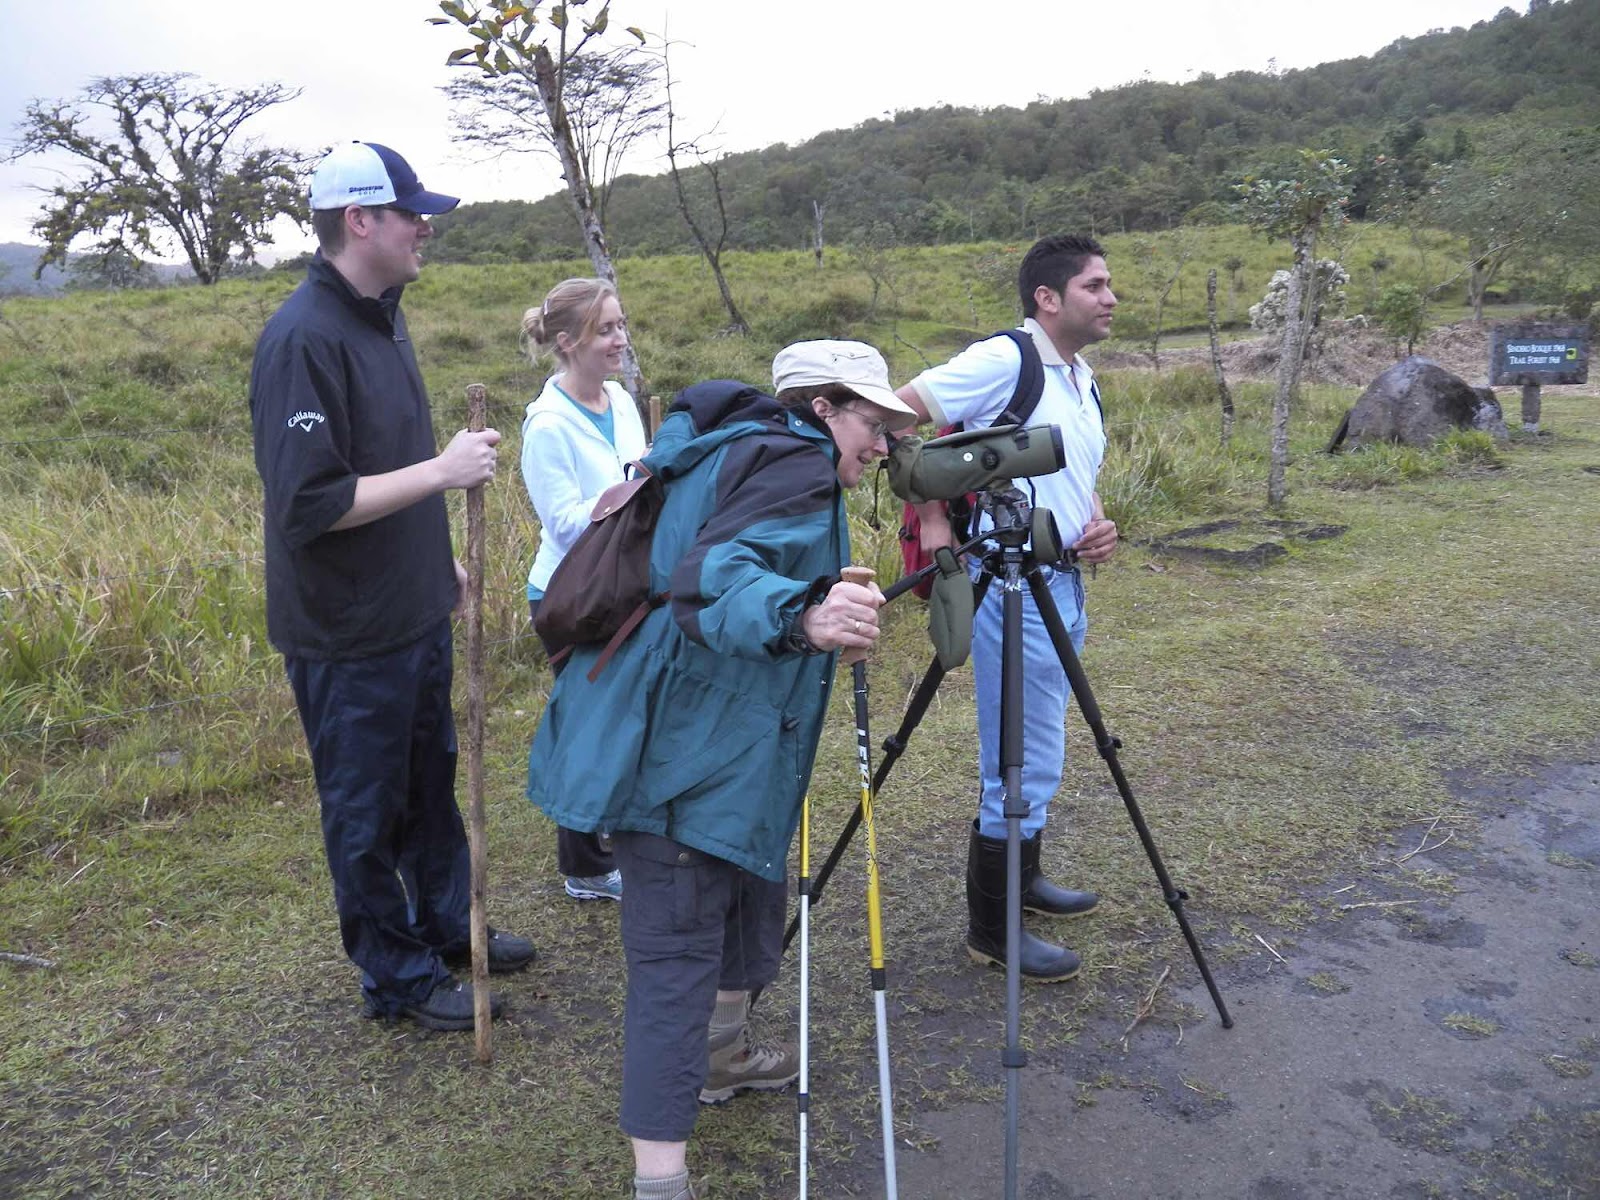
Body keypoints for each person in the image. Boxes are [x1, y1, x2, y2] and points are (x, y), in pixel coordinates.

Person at [526, 341, 916, 1200]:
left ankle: (727, 1055)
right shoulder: (794, 466)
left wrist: (807, 612)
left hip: (716, 739)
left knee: (748, 891)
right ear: (823, 408)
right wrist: (802, 619)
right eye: (872, 422)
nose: (883, 444)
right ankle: (660, 1182)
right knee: (674, 957)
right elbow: (716, 581)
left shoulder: (739, 448)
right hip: (679, 755)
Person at [249, 141, 534, 1031]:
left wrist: (429, 554)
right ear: (359, 220)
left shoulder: (383, 316)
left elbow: (388, 467)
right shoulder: (303, 339)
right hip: (346, 630)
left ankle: (448, 927)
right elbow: (310, 503)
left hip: (409, 606)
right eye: (411, 212)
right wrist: (446, 473)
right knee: (367, 809)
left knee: (430, 782)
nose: (425, 228)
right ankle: (396, 977)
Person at [895, 234, 1121, 984]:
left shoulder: (1080, 375)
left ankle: (1023, 884)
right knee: (1019, 758)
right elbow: (900, 417)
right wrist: (931, 522)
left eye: (1109, 284)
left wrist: (1094, 520)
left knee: (1040, 740)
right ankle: (993, 931)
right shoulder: (1006, 361)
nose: (1111, 297)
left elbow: (1075, 469)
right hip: (1012, 585)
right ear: (1047, 299)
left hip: (1062, 579)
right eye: (1094, 285)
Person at [519, 277, 648, 903]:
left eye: (621, 325)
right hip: (569, 594)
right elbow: (565, 523)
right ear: (568, 343)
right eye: (606, 330)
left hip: (622, 585)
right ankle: (586, 867)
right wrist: (631, 496)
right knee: (587, 721)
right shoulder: (546, 424)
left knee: (622, 717)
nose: (620, 339)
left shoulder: (620, 401)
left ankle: (617, 849)